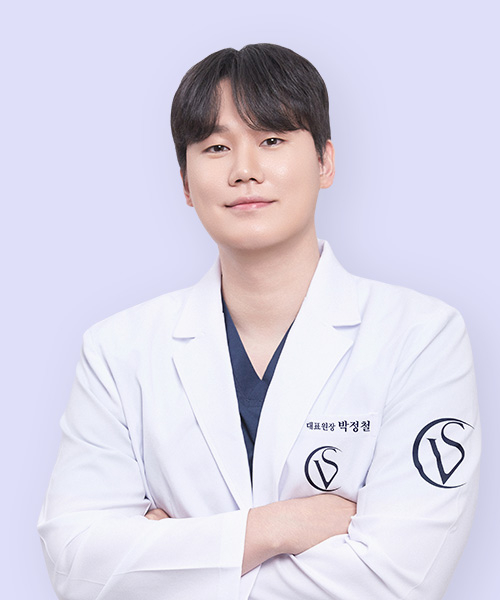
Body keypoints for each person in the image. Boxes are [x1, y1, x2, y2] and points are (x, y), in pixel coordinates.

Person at [37, 43, 480, 600]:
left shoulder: (421, 337)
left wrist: (171, 556)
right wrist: (281, 527)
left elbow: (394, 580)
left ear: (324, 162)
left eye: (271, 140)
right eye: (216, 147)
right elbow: (77, 567)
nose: (244, 171)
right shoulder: (117, 350)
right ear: (185, 183)